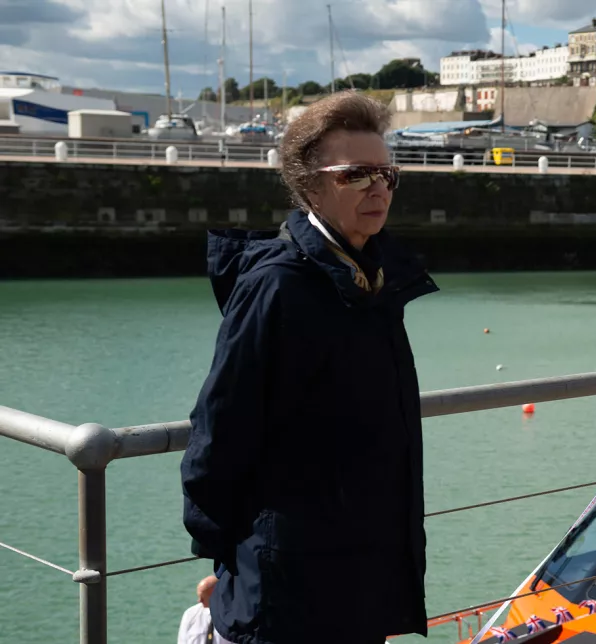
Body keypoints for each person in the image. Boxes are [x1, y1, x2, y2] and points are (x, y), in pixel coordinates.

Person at [180, 91, 437, 644]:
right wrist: (234, 561)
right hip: (288, 587)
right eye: (356, 174)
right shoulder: (278, 286)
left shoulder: (373, 279)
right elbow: (218, 432)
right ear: (311, 185)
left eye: (387, 174)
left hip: (357, 577)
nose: (378, 188)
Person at [176, 575, 218, 644]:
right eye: (199, 597)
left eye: (203, 597)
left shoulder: (234, 616)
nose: (199, 601)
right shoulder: (190, 614)